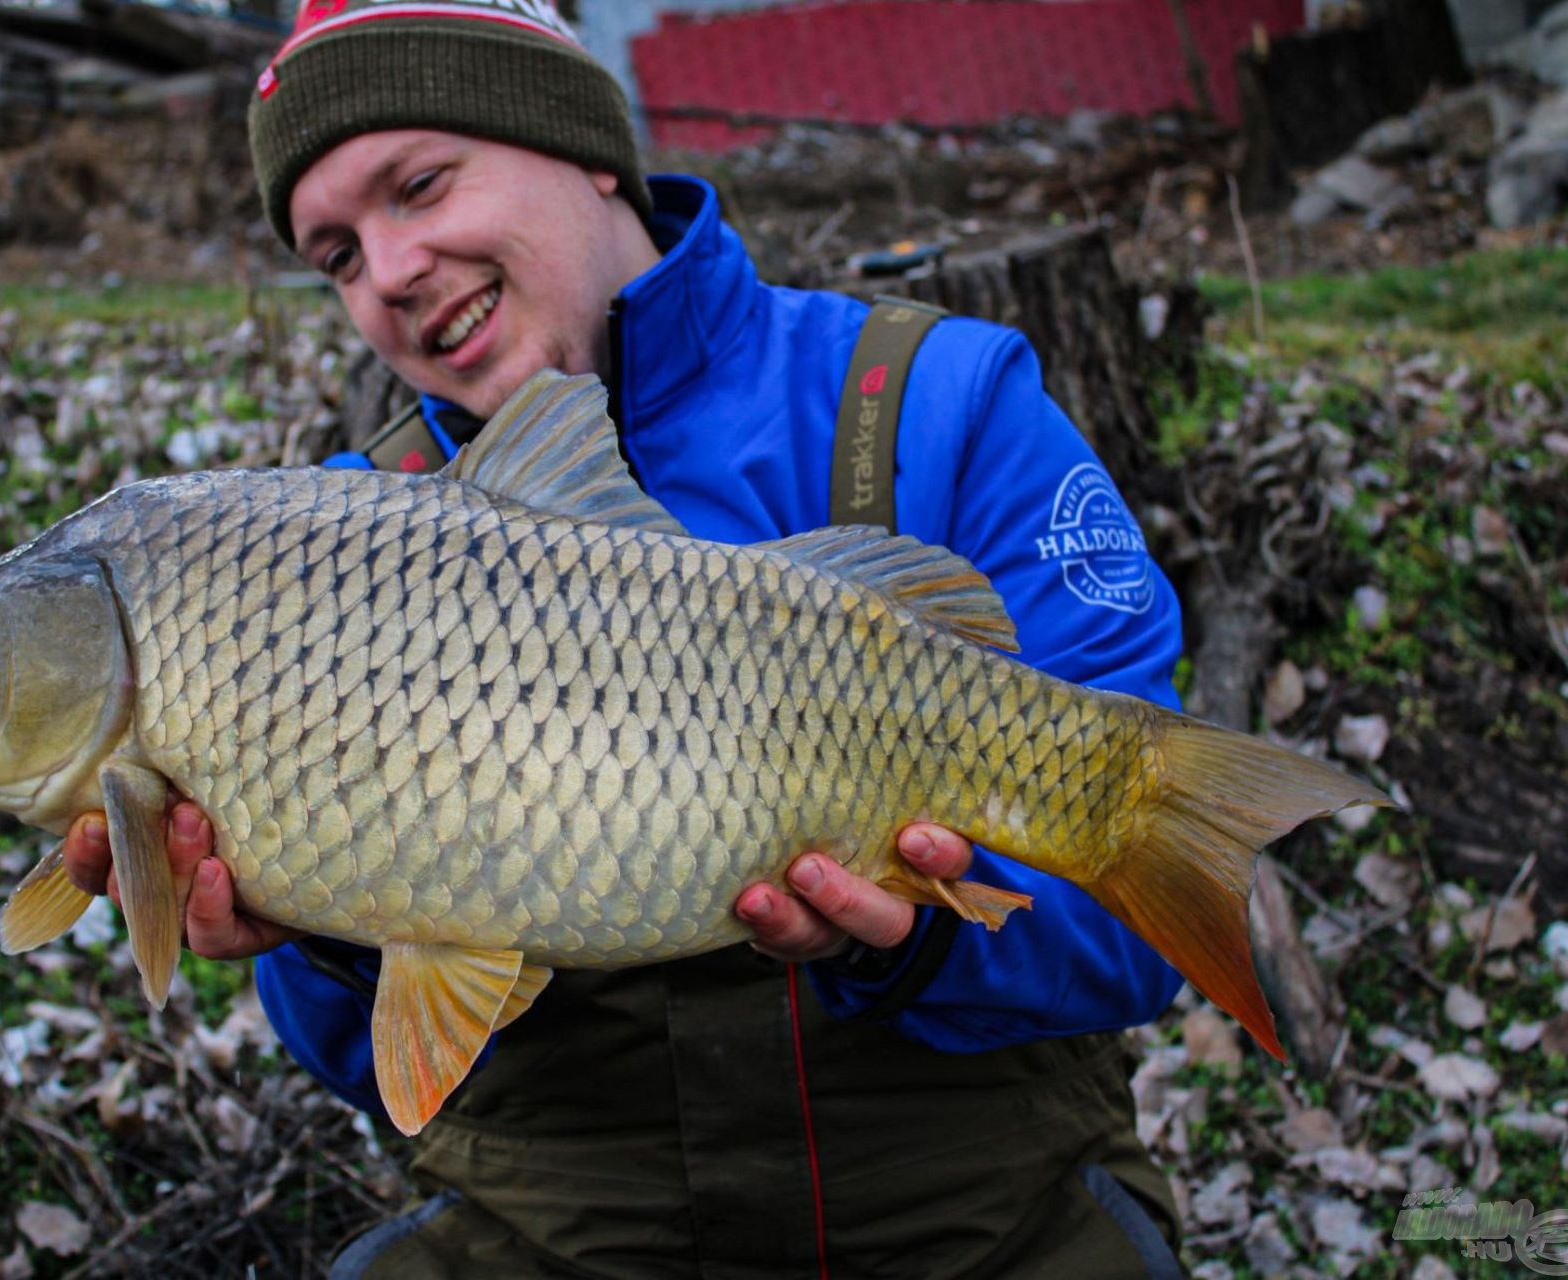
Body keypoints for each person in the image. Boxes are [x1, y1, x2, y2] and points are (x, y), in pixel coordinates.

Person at [65, 2, 1190, 1275]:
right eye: (334, 254)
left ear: (588, 146)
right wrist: (324, 913)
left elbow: (1139, 939)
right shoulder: (328, 539)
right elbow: (364, 1064)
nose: (386, 272)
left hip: (976, 1220)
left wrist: (922, 926)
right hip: (560, 1234)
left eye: (420, 185)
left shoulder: (931, 400)